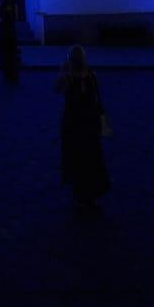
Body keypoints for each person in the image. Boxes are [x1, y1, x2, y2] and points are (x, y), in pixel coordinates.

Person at [55, 44, 110, 207]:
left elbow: (57, 88)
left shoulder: (69, 78)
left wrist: (62, 70)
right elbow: (96, 98)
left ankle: (80, 193)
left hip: (74, 123)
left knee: (77, 158)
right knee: (91, 158)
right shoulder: (91, 75)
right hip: (89, 123)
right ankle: (92, 192)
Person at [0, 0, 19, 82]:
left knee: (7, 56)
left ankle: (9, 73)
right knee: (10, 56)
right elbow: (15, 18)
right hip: (9, 36)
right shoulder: (9, 10)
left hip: (6, 36)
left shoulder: (2, 10)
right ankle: (11, 74)